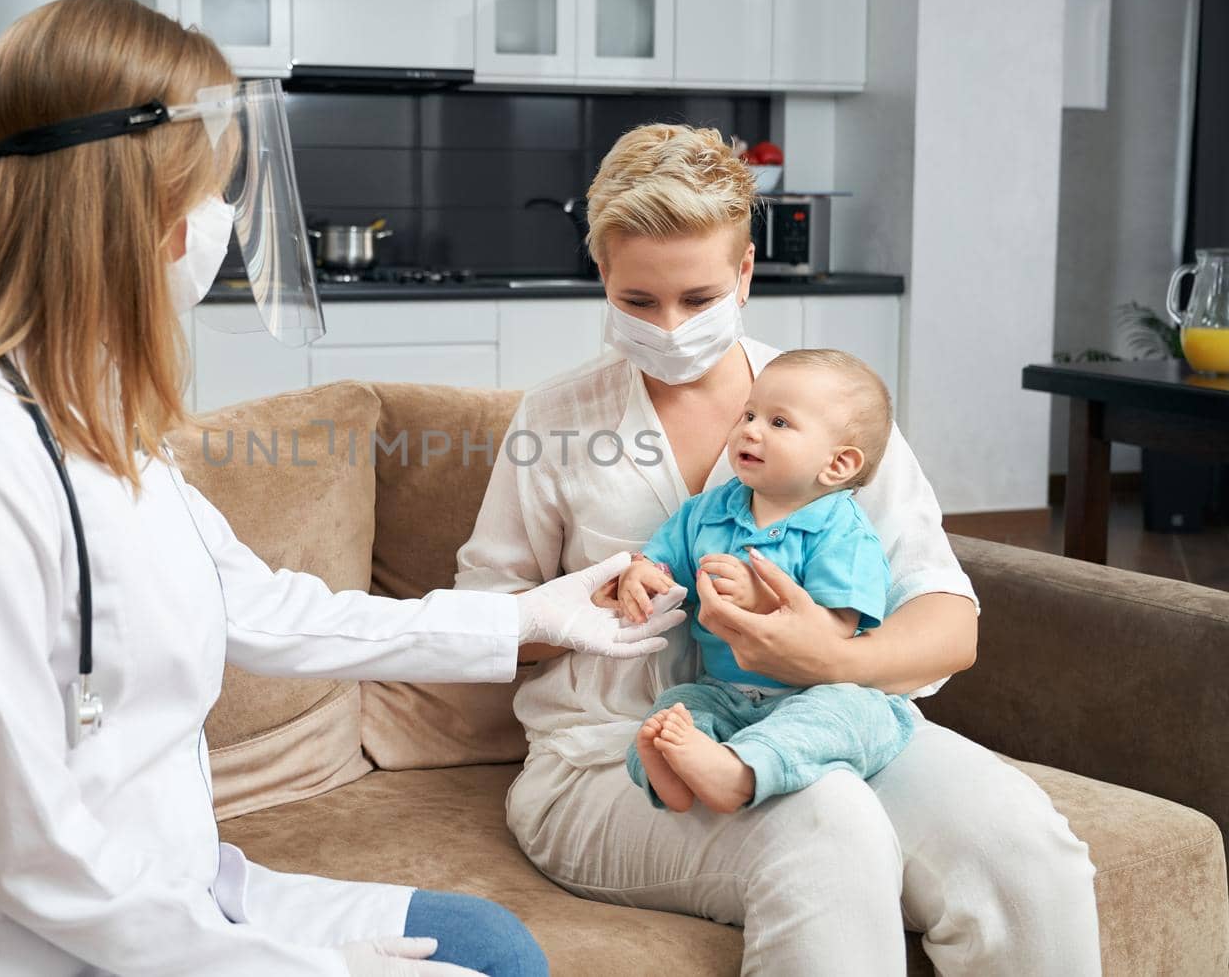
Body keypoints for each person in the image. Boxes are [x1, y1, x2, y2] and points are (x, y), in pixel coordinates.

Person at [0, 0, 685, 977]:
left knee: (490, 944)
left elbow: (258, 605)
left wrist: (525, 619)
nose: (220, 221)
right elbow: (28, 857)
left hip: (173, 892)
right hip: (31, 944)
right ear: (133, 202)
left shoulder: (99, 421)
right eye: (207, 187)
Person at [454, 124, 1101, 975]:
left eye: (699, 297)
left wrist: (826, 650)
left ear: (748, 274)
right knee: (827, 824)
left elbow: (946, 620)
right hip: (608, 759)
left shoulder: (828, 408)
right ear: (603, 277)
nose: (671, 325)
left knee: (1025, 850)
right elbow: (479, 627)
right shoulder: (556, 420)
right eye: (639, 301)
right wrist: (584, 608)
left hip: (827, 718)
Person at [611, 349, 913, 815]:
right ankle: (668, 776)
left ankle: (741, 773)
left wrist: (761, 599)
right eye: (749, 414)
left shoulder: (843, 532)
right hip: (722, 689)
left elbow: (838, 630)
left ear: (837, 465)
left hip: (809, 691)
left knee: (854, 716)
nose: (749, 429)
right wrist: (644, 573)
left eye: (779, 423)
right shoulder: (707, 511)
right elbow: (665, 559)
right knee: (674, 711)